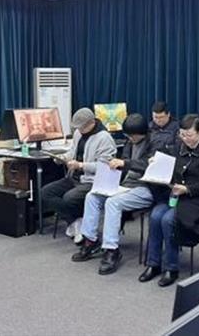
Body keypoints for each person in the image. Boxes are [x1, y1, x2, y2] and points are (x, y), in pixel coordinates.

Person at [72, 113, 166, 275]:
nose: (130, 139)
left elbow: (149, 165)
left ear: (142, 133)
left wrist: (124, 163)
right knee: (92, 196)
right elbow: (124, 166)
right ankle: (90, 240)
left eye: (132, 136)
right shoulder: (130, 142)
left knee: (113, 202)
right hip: (126, 185)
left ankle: (111, 249)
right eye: (128, 136)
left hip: (147, 188)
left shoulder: (156, 142)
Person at [139, 114, 199, 287]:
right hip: (175, 196)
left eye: (189, 135)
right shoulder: (178, 147)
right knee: (155, 216)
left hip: (196, 200)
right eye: (182, 134)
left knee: (168, 220)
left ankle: (172, 267)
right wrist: (155, 160)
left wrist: (187, 189)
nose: (185, 138)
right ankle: (153, 263)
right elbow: (165, 159)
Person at [42, 108, 116, 242]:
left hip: (92, 181)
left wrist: (81, 165)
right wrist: (63, 158)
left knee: (69, 198)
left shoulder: (104, 138)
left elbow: (105, 167)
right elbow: (73, 152)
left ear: (92, 123)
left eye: (82, 127)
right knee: (45, 193)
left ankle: (79, 223)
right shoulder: (78, 133)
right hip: (74, 177)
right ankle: (75, 221)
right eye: (77, 128)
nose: (79, 130)